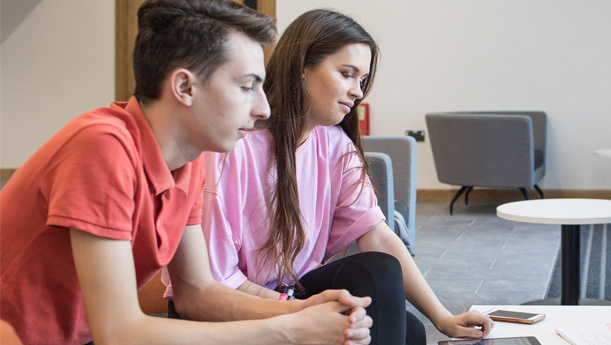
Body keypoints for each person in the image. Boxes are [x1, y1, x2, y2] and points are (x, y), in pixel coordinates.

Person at [0, 1, 373, 344]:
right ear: (184, 87)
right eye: (246, 87)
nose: (264, 108)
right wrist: (290, 328)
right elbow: (118, 331)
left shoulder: (188, 162)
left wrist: (301, 309)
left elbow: (197, 292)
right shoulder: (102, 147)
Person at [165, 9, 493, 344]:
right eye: (347, 74)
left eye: (362, 80)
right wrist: (298, 310)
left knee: (404, 321)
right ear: (303, 68)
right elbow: (214, 284)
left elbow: (378, 236)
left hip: (287, 292)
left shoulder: (336, 145)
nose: (358, 92)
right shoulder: (231, 147)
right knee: (386, 304)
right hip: (229, 306)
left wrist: (442, 317)